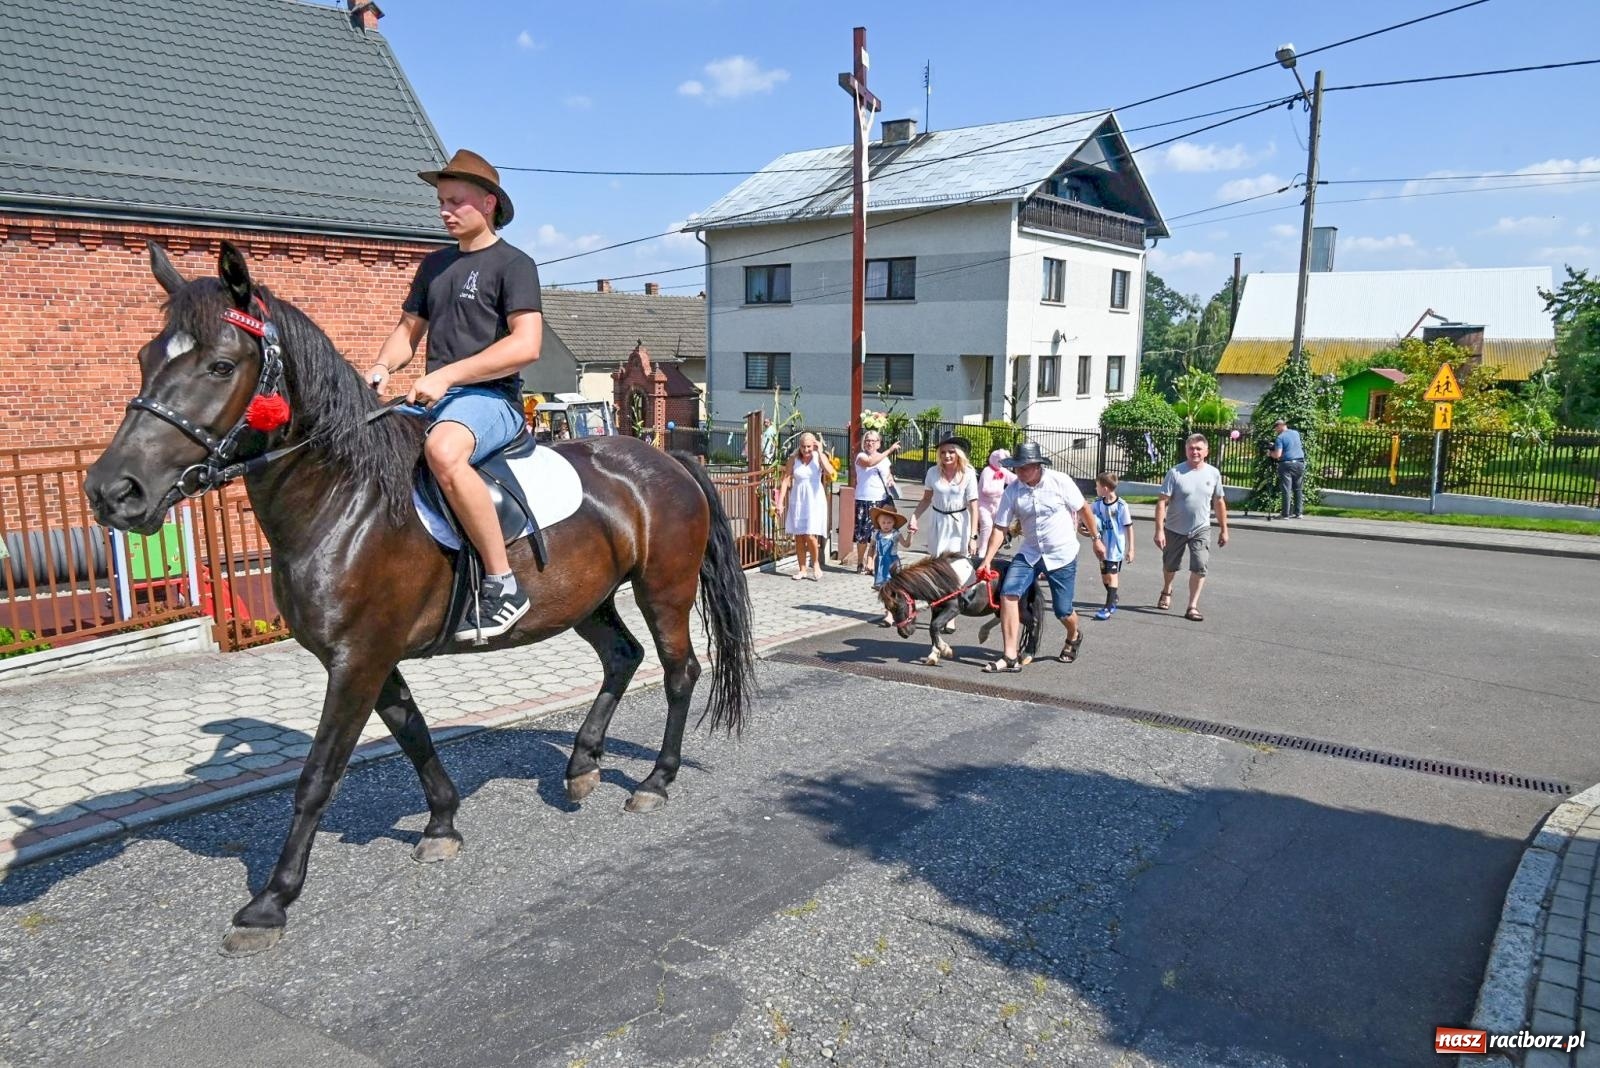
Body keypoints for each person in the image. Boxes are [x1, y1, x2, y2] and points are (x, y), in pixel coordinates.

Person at [368, 149, 542, 641]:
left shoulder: (514, 264)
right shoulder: (435, 265)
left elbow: (526, 345)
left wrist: (449, 376)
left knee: (443, 450)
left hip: (492, 400)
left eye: (456, 202)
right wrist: (382, 366)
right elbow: (407, 332)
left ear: (488, 204)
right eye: (441, 202)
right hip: (436, 398)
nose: (445, 211)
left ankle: (503, 582)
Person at [976, 441, 1100, 672]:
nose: (1019, 472)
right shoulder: (1012, 491)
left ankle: (1073, 634)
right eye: (1017, 468)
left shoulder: (1059, 481)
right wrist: (986, 559)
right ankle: (1010, 655)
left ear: (1037, 465)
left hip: (1061, 553)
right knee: (1008, 593)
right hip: (1031, 552)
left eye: (1024, 467)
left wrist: (1096, 539)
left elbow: (1083, 508)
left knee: (1063, 611)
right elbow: (1000, 528)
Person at [1154, 433, 1229, 622]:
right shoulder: (1175, 472)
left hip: (1201, 528)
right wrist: (1159, 530)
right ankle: (1166, 589)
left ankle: (1192, 606)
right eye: (1191, 448)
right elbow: (1162, 502)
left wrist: (1224, 529)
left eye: (1198, 448)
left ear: (1206, 451)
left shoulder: (1213, 473)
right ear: (1186, 450)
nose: (1194, 452)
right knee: (1170, 565)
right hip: (1174, 528)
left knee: (1200, 565)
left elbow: (1219, 501)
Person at [910, 434, 979, 559]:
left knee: (956, 560)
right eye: (943, 452)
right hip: (938, 521)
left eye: (951, 452)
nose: (946, 455)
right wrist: (914, 517)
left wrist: (973, 537)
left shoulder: (968, 473)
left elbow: (974, 507)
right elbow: (926, 499)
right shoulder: (932, 472)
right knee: (937, 559)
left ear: (958, 453)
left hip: (959, 522)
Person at [777, 431, 832, 581]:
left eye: (809, 446)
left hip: (814, 499)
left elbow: (830, 472)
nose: (806, 450)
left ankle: (815, 564)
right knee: (799, 536)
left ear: (813, 445)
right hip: (798, 498)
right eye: (803, 447)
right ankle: (802, 569)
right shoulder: (794, 459)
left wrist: (820, 452)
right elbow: (786, 479)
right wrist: (780, 502)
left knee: (810, 534)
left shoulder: (818, 457)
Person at [847, 429, 900, 574]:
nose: (870, 443)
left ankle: (872, 562)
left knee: (878, 532)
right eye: (867, 440)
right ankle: (860, 562)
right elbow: (870, 463)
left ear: (878, 443)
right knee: (862, 533)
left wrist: (890, 479)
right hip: (864, 498)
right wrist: (889, 450)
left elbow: (888, 474)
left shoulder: (884, 459)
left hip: (881, 498)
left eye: (873, 441)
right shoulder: (861, 456)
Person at [1088, 472, 1134, 620]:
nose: (1096, 488)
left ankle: (1108, 607)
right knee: (1105, 578)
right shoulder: (1098, 503)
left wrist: (1131, 548)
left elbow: (1129, 527)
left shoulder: (1121, 506)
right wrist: (1085, 526)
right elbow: (1088, 516)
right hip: (1102, 546)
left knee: (1112, 575)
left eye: (1097, 486)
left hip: (1115, 547)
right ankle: (1113, 596)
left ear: (1105, 488)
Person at [868, 503, 912, 624]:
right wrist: (870, 562)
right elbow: (871, 548)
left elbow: (907, 544)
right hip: (880, 564)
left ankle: (892, 613)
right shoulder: (876, 534)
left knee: (893, 589)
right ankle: (889, 613)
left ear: (893, 523)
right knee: (883, 590)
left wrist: (910, 534)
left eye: (889, 523)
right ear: (878, 522)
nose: (886, 525)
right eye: (883, 523)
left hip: (892, 563)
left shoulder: (895, 534)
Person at [976, 448, 1017, 554]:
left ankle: (993, 550)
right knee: (987, 525)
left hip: (997, 504)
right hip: (984, 504)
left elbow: (1014, 479)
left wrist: (1025, 480)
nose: (1002, 464)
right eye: (1000, 461)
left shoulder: (1002, 471)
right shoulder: (987, 471)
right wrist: (1001, 491)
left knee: (998, 527)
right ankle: (982, 550)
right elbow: (985, 489)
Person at [1269, 417, 1306, 519]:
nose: (1275, 430)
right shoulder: (1296, 433)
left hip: (1287, 465)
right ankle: (1298, 513)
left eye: (1276, 427)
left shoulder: (1280, 438)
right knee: (1298, 489)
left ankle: (1285, 514)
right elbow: (1292, 447)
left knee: (1286, 489)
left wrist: (1270, 453)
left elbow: (1277, 455)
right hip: (1300, 463)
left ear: (1280, 426)